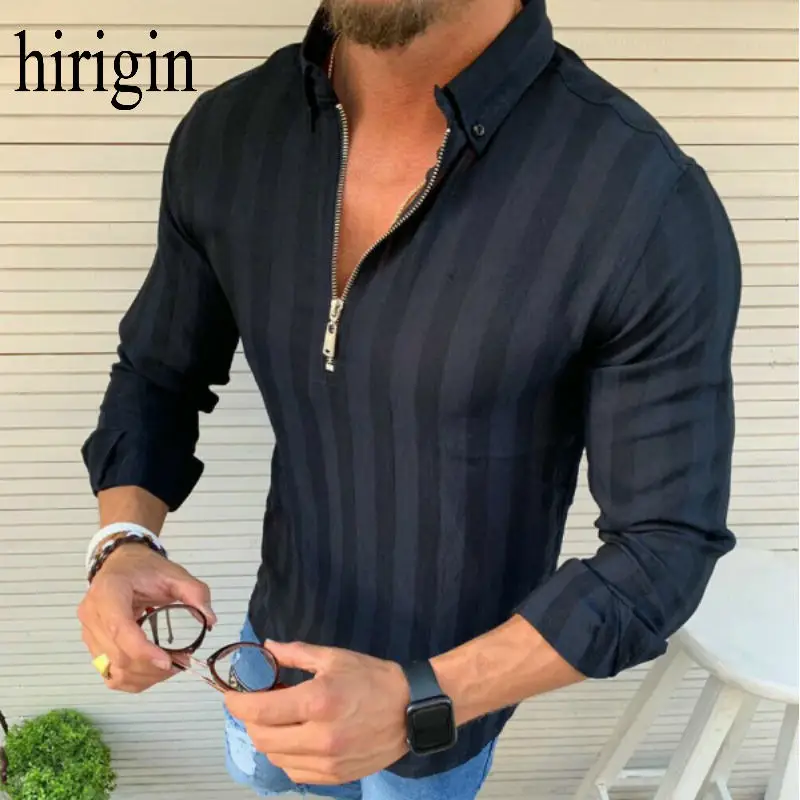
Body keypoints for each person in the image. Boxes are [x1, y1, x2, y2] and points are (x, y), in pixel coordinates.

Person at [76, 0, 742, 798]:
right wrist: (123, 541)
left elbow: (662, 548)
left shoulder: (643, 204)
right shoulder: (229, 136)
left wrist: (419, 702)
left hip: (444, 712)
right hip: (268, 648)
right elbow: (157, 370)